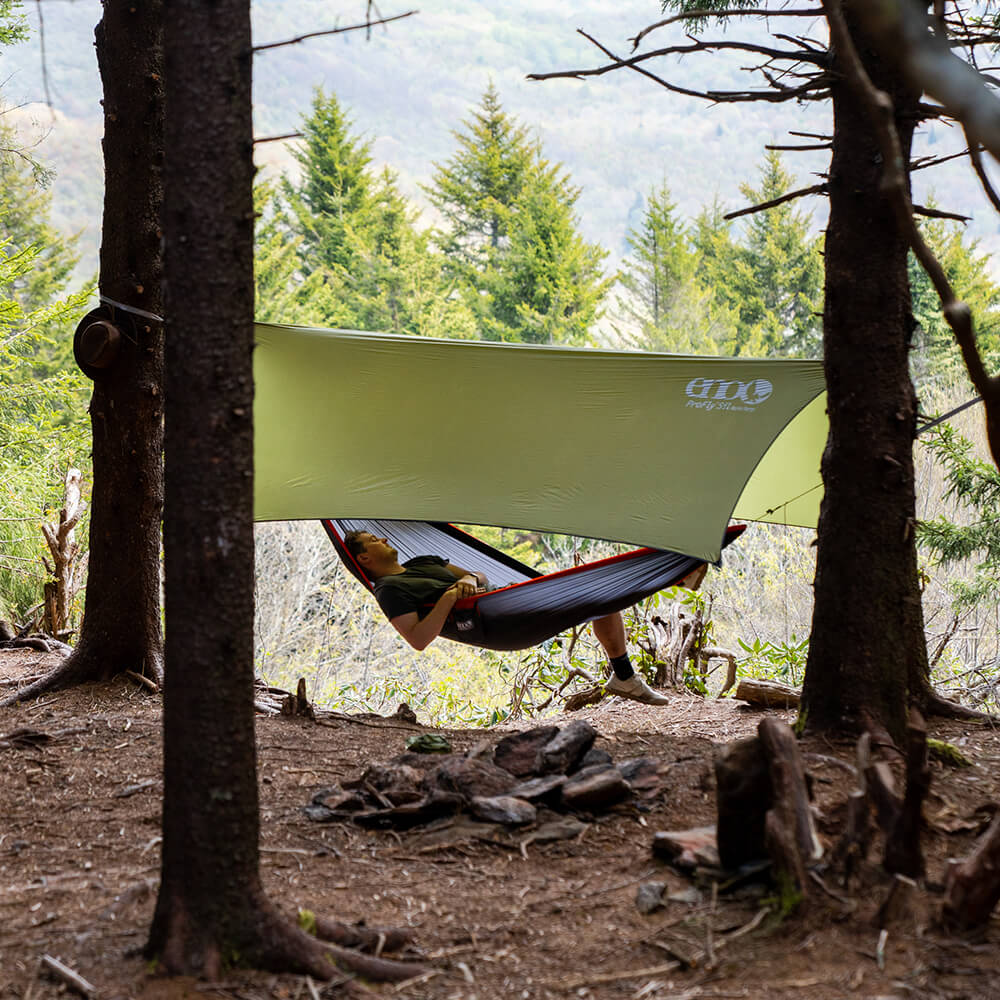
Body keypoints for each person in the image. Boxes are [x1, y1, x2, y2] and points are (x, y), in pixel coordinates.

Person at [343, 529, 677, 705]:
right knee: (595, 589)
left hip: (512, 596)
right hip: (496, 622)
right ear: (365, 557)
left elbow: (479, 575)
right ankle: (678, 568)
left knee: (601, 595)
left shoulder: (423, 561)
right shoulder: (389, 590)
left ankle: (623, 676)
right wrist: (448, 598)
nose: (384, 538)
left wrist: (469, 580)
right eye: (375, 539)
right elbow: (417, 639)